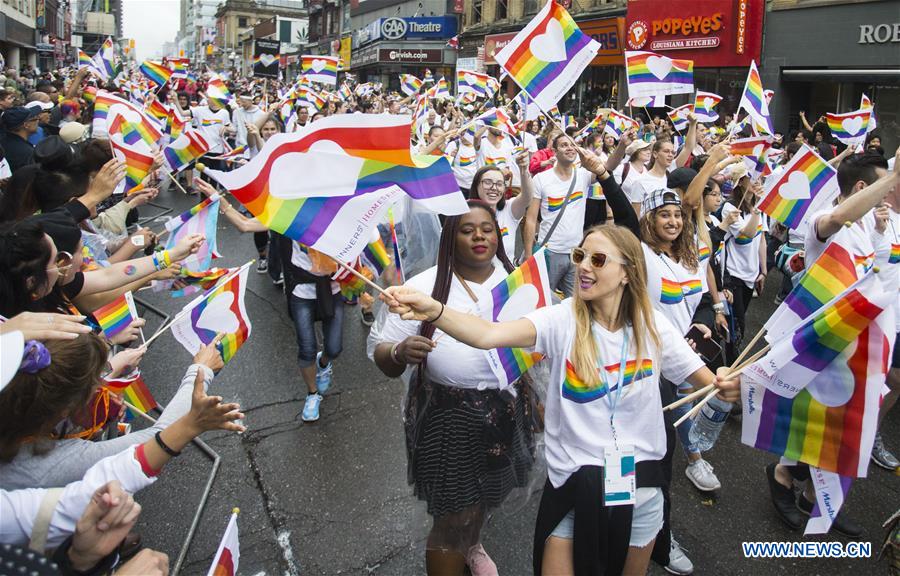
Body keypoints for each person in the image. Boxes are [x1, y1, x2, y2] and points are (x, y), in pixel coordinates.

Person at [380, 222, 740, 575]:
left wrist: (725, 383)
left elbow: (707, 382)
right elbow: (488, 334)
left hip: (640, 488)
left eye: (598, 260)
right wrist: (434, 310)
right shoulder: (560, 320)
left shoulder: (653, 326)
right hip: (572, 488)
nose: (583, 266)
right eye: (581, 255)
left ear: (627, 273)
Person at [369, 200, 536, 575]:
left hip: (507, 411)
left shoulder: (517, 281)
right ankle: (456, 544)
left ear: (499, 235)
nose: (479, 236)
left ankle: (472, 545)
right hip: (449, 419)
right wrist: (398, 352)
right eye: (466, 230)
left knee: (486, 497)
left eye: (487, 228)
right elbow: (381, 356)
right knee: (451, 516)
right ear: (449, 238)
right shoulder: (422, 287)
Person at [766, 149, 900, 537]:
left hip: (867, 346)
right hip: (825, 349)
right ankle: (782, 476)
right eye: (886, 187)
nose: (893, 194)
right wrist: (892, 178)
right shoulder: (825, 224)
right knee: (818, 428)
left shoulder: (885, 224)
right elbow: (838, 217)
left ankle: (817, 500)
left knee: (845, 433)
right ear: (864, 188)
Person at [523, 133, 605, 296]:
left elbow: (607, 168)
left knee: (575, 303)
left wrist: (623, 146)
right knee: (543, 298)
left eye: (572, 144)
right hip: (550, 252)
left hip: (576, 253)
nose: (569, 148)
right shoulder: (541, 179)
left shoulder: (583, 175)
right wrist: (528, 255)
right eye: (564, 145)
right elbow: (531, 219)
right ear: (554, 151)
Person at [467, 153, 533, 261]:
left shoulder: (509, 210)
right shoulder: (463, 214)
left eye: (499, 184)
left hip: (506, 276)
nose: (494, 188)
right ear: (476, 185)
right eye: (488, 182)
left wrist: (524, 170)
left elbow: (527, 197)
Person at [0, 106, 39, 172]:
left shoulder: (2, 142)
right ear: (26, 125)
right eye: (35, 119)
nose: (38, 120)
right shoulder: (27, 153)